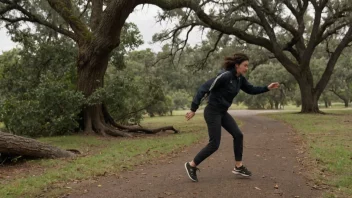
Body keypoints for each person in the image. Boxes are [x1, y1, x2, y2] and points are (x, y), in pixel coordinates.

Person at [184, 53, 280, 182]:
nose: (247, 68)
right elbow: (204, 88)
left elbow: (251, 89)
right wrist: (193, 109)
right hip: (212, 111)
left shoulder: (240, 79)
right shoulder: (225, 76)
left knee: (238, 135)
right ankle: (191, 165)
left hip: (222, 112)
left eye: (247, 66)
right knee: (214, 144)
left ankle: (238, 166)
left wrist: (267, 88)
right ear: (237, 65)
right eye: (245, 65)